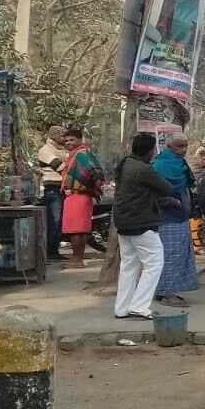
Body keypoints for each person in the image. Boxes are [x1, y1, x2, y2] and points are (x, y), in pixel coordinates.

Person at [112, 134, 172, 320]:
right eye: (154, 149)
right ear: (149, 150)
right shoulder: (143, 169)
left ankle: (122, 308)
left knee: (129, 265)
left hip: (123, 222)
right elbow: (166, 188)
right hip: (141, 222)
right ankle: (140, 306)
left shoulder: (125, 164)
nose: (155, 152)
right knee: (154, 263)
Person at [152, 135, 199, 307]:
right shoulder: (161, 165)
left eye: (185, 145)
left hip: (180, 216)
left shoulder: (180, 164)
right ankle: (167, 293)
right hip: (167, 218)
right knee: (171, 255)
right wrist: (174, 202)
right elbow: (156, 193)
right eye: (180, 146)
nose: (184, 149)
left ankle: (162, 290)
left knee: (178, 253)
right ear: (170, 146)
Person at [59, 127, 104, 269]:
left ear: (79, 140)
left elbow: (95, 173)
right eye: (66, 140)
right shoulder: (78, 154)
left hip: (78, 195)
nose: (68, 143)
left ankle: (77, 259)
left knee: (76, 229)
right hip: (79, 196)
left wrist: (84, 186)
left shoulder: (81, 154)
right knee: (80, 229)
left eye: (72, 140)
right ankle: (77, 258)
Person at [36, 125, 69, 260]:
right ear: (54, 136)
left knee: (60, 220)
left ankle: (54, 250)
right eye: (62, 136)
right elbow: (60, 166)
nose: (65, 139)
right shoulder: (45, 150)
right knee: (54, 220)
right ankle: (50, 252)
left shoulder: (61, 150)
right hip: (52, 189)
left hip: (61, 188)